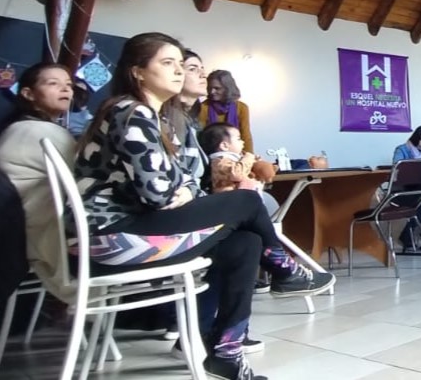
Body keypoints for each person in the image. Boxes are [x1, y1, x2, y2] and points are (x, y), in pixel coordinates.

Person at [75, 33, 333, 380]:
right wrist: (179, 191)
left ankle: (227, 352)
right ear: (137, 71)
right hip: (110, 239)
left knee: (246, 242)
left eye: (180, 64)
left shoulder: (155, 118)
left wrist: (179, 190)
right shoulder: (130, 111)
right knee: (246, 199)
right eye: (168, 63)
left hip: (132, 231)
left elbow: (179, 184)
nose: (178, 71)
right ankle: (286, 272)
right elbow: (159, 194)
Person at [0, 63, 78, 304]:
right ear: (28, 93)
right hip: (38, 239)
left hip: (11, 234)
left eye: (68, 85)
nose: (65, 89)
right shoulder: (41, 132)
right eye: (53, 83)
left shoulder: (17, 128)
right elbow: (82, 179)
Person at [199, 122, 280, 217]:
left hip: (243, 200)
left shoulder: (235, 159)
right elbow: (237, 174)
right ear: (224, 146)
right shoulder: (219, 161)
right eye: (238, 139)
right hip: (230, 203)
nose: (243, 142)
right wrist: (249, 157)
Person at [200, 70, 254, 153]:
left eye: (217, 88)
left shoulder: (242, 108)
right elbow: (201, 136)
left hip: (237, 153)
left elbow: (246, 136)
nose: (212, 92)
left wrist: (250, 156)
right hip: (210, 154)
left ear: (227, 88)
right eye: (210, 88)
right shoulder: (204, 107)